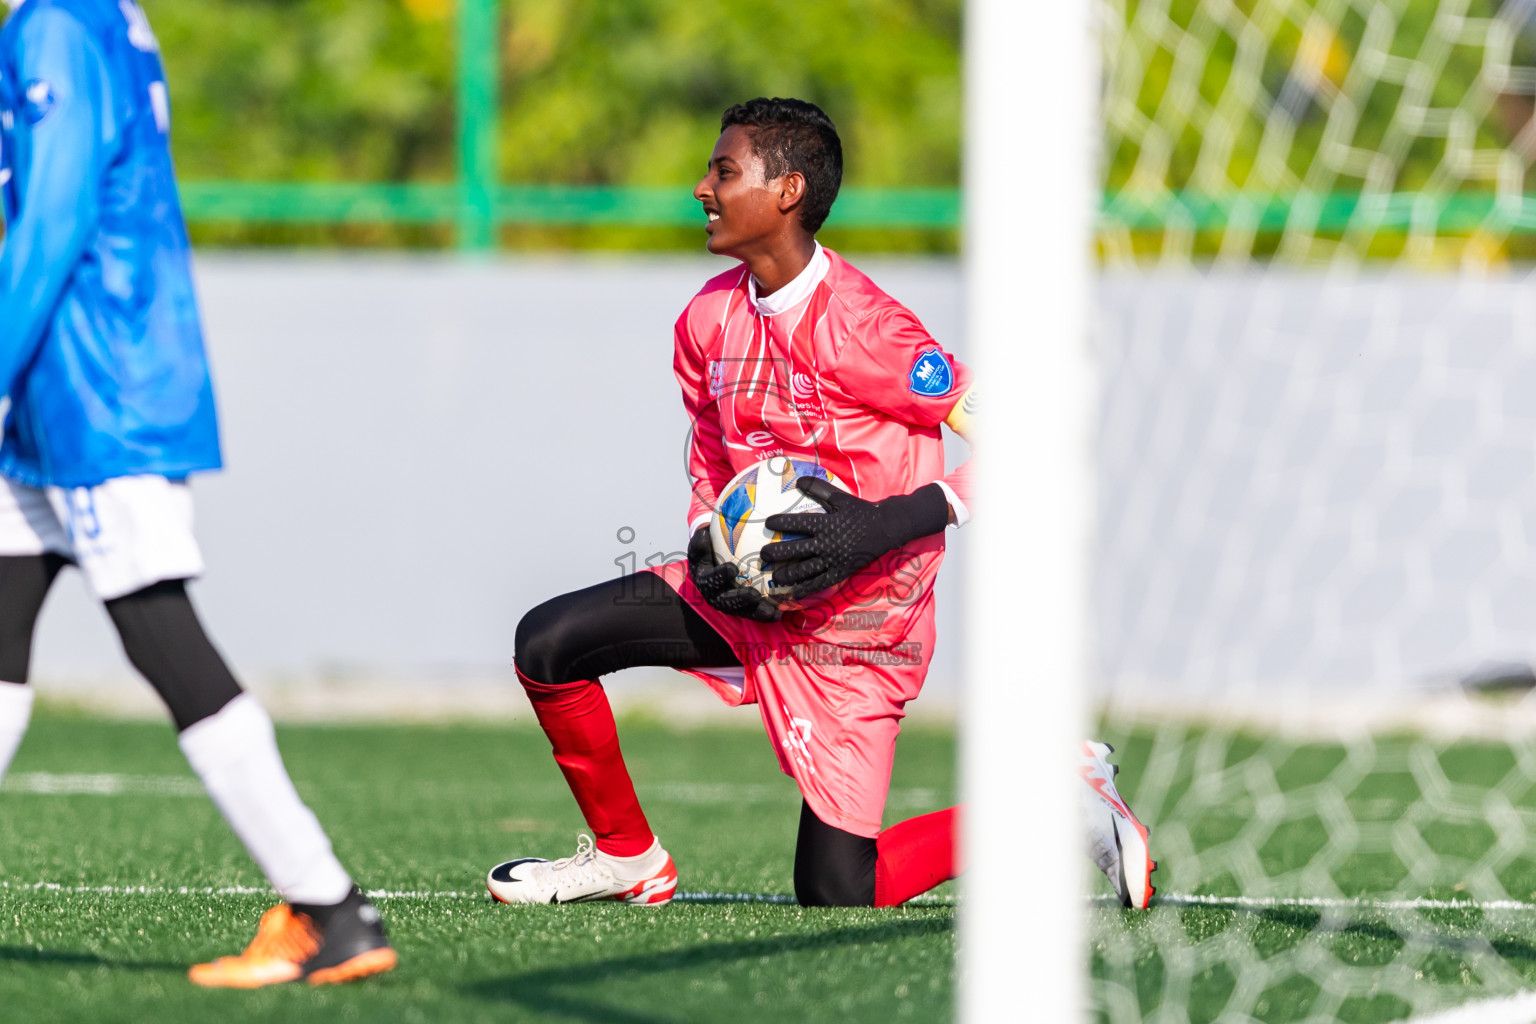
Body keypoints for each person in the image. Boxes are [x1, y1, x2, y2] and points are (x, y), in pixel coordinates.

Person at [488, 96, 1157, 909]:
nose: (702, 187)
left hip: (860, 631)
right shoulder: (706, 318)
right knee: (549, 643)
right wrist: (706, 530)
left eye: (724, 171)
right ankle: (628, 859)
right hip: (754, 591)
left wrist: (883, 523)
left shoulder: (870, 329)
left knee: (837, 890)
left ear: (787, 191)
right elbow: (709, 435)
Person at [0, 0, 395, 984]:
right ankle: (329, 910)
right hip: (73, 393)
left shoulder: (53, 23)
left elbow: (53, 213)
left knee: (158, 630)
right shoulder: (110, 17)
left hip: (88, 390)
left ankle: (330, 908)